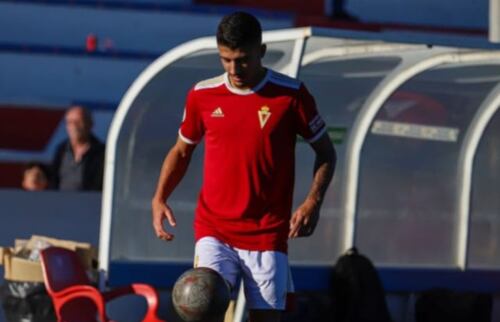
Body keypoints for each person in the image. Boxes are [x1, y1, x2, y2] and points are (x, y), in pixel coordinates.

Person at [151, 12, 336, 322]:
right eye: (225, 59)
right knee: (201, 309)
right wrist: (159, 197)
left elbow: (327, 153)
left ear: (261, 51)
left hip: (266, 234)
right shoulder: (202, 95)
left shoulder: (291, 95)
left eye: (242, 59)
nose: (234, 69)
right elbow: (182, 151)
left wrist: (312, 202)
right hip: (214, 230)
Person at [52, 105, 105, 191]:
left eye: (78, 122)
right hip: (61, 202)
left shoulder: (101, 152)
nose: (74, 126)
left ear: (90, 124)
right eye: (70, 122)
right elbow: (54, 180)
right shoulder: (61, 150)